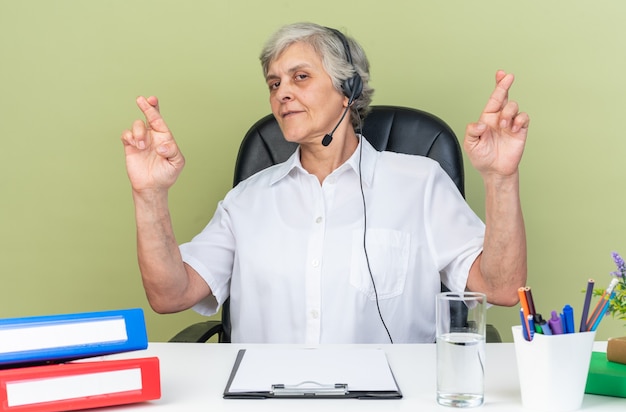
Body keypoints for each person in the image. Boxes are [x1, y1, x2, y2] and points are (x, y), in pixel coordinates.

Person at [120, 22, 528, 344]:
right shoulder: (246, 200)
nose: (282, 93)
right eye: (274, 83)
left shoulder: (420, 184)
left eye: (300, 77)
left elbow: (502, 288)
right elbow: (170, 296)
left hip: (391, 405)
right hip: (265, 404)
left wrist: (501, 178)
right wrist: (150, 194)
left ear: (349, 89)